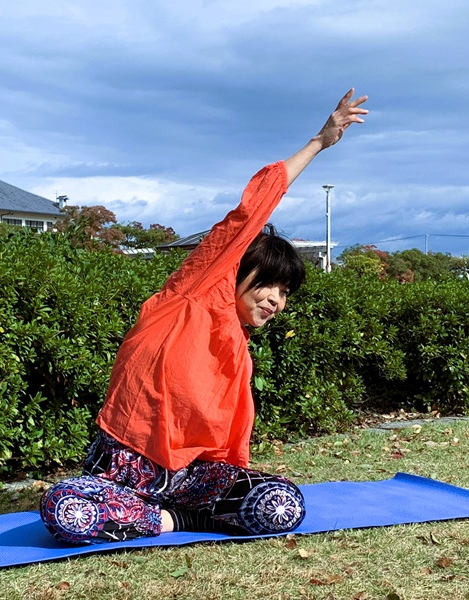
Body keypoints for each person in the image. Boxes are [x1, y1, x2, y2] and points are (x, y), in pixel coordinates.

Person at [40, 89, 368, 544]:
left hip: (193, 479)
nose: (276, 300)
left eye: (285, 291)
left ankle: (168, 518)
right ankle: (165, 520)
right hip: (127, 470)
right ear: (235, 269)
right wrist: (319, 141)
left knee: (282, 504)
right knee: (66, 511)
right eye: (269, 283)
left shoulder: (238, 344)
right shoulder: (194, 293)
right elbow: (251, 212)